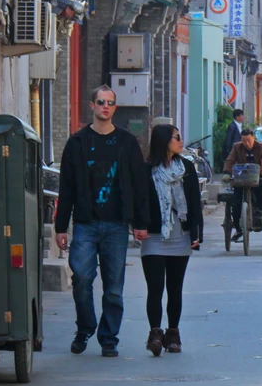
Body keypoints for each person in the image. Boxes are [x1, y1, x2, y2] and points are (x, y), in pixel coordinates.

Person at [55, 84, 150, 358]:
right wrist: (61, 227)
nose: (105, 107)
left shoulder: (126, 142)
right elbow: (67, 187)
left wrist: (140, 222)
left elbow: (139, 184)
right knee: (82, 278)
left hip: (116, 225)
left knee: (114, 287)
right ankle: (85, 327)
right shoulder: (77, 143)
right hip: (85, 223)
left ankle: (109, 338)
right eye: (100, 102)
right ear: (92, 106)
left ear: (114, 108)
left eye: (110, 103)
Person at [141, 124, 203, 356]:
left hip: (181, 235)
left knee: (175, 288)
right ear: (164, 140)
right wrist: (139, 225)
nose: (180, 141)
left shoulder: (186, 167)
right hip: (154, 236)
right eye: (176, 137)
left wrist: (197, 233)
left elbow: (195, 202)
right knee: (155, 288)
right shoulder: (147, 169)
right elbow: (141, 200)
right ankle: (155, 334)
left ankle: (173, 333)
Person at [222, 128, 262, 242]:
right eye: (244, 141)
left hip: (258, 177)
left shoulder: (261, 147)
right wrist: (227, 172)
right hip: (241, 178)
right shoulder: (237, 147)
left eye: (249, 140)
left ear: (253, 138)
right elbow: (230, 160)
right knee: (236, 204)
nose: (247, 143)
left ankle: (259, 210)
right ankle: (238, 228)